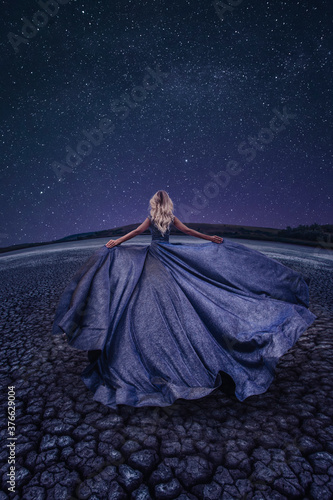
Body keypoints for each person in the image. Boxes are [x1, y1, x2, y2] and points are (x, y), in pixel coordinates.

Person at [52, 190, 317, 409]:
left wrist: (115, 242)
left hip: (156, 258)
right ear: (168, 204)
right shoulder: (170, 218)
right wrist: (209, 238)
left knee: (154, 297)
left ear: (154, 204)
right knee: (173, 295)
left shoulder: (151, 218)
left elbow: (134, 233)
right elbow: (189, 232)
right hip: (168, 257)